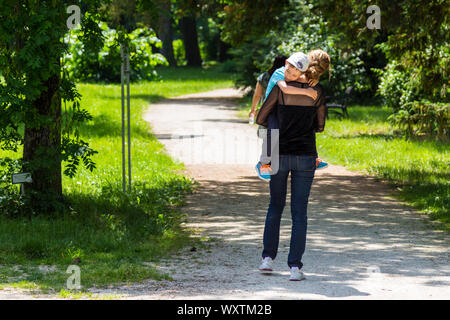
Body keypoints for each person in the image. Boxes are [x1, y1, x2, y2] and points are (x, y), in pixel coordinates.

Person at [255, 50, 330, 281]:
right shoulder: (317, 91)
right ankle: (295, 268)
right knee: (300, 212)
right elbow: (320, 126)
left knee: (275, 206)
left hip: (278, 153)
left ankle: (268, 259)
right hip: (306, 156)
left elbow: (261, 118)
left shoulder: (279, 86)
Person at [255, 50, 331, 181]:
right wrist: (306, 92)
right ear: (286, 64)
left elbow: (305, 77)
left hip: (282, 109)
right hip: (271, 110)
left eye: (295, 75)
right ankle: (263, 163)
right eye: (289, 73)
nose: (290, 77)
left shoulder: (297, 73)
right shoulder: (280, 73)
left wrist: (314, 80)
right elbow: (285, 89)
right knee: (272, 133)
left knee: (306, 123)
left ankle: (315, 158)